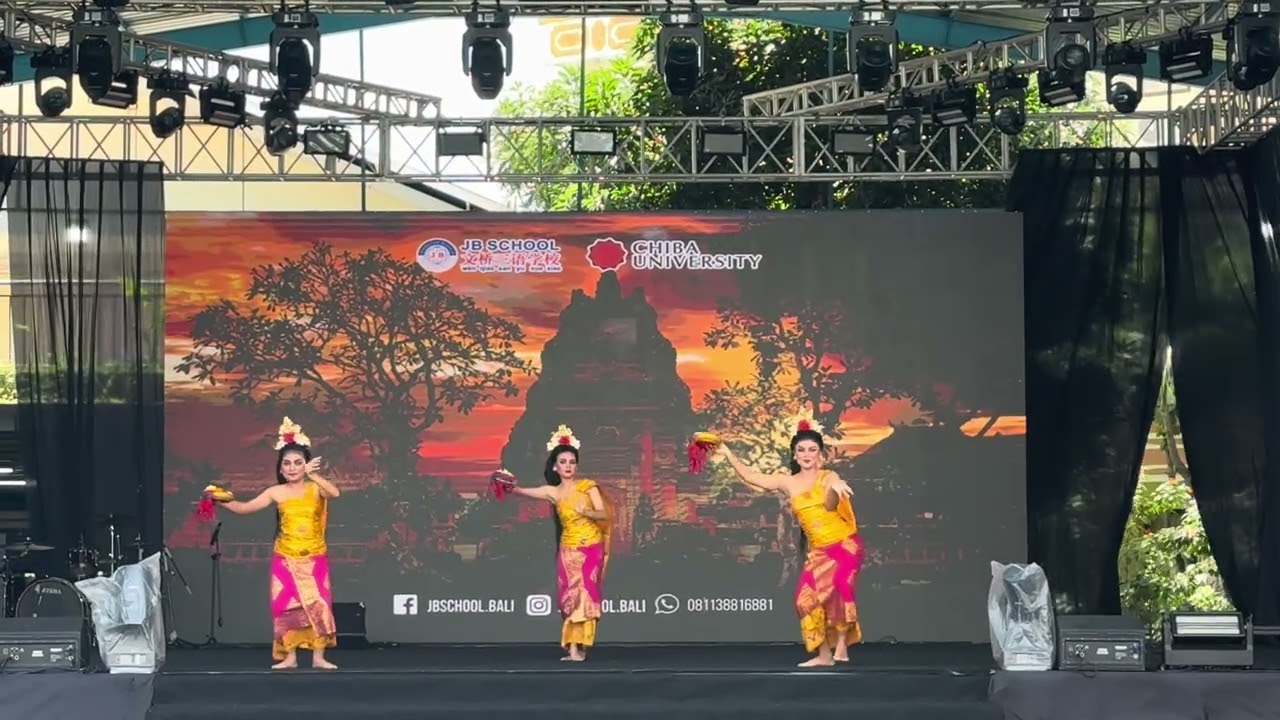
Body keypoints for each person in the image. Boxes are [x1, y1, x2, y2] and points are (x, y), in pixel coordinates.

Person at [714, 414, 862, 667]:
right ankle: (824, 656)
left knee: (838, 592)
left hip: (843, 545)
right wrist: (727, 453)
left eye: (812, 450)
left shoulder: (829, 477)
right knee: (805, 601)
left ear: (821, 455)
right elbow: (752, 477)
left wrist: (835, 489)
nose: (806, 454)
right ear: (794, 455)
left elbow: (829, 504)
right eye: (801, 450)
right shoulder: (788, 482)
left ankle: (841, 648)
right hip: (818, 551)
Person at [219, 417, 341, 670]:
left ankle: (318, 658)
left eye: (298, 463)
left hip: (314, 556)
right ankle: (290, 657)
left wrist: (314, 475)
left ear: (306, 465)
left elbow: (334, 493)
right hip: (285, 558)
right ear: (281, 467)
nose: (292, 468)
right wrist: (222, 499)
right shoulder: (276, 491)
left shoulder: (315, 487)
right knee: (286, 608)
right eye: (287, 463)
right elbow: (245, 508)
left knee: (318, 605)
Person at [494, 424, 613, 662]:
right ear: (555, 466)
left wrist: (588, 513)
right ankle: (572, 650)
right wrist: (505, 483)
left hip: (590, 547)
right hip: (568, 549)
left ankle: (583, 645)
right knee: (569, 597)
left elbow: (604, 515)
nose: (568, 466)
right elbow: (522, 491)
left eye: (571, 462)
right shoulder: (553, 492)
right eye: (563, 462)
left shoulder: (587, 486)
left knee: (585, 594)